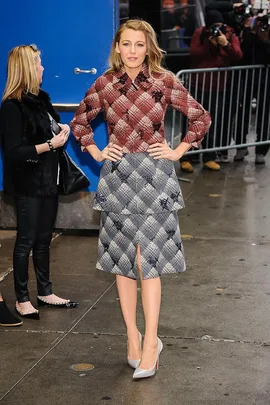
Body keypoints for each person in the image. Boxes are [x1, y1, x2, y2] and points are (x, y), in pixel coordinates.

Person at [71, 19, 211, 379]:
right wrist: (97, 152)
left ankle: (151, 343)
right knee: (122, 261)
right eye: (126, 44)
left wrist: (178, 150)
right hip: (118, 179)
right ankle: (132, 339)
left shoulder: (164, 82)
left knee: (148, 259)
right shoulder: (105, 84)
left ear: (148, 48)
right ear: (117, 47)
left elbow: (200, 118)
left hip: (154, 178)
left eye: (139, 44)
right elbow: (80, 122)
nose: (132, 51)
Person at [0, 45, 78, 320]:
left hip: (49, 180)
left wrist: (62, 130)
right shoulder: (11, 106)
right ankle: (22, 298)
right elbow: (12, 152)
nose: (43, 68)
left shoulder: (41, 99)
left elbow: (51, 131)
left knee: (44, 240)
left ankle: (45, 292)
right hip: (28, 183)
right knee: (26, 241)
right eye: (38, 64)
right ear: (26, 69)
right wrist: (48, 144)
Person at [181, 10, 242, 172]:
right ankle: (187, 156)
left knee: (211, 123)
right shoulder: (200, 34)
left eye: (219, 25)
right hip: (198, 85)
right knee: (193, 122)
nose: (217, 29)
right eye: (214, 26)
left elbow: (237, 55)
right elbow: (194, 53)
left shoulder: (229, 34)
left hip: (219, 86)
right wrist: (208, 44)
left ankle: (209, 156)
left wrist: (225, 44)